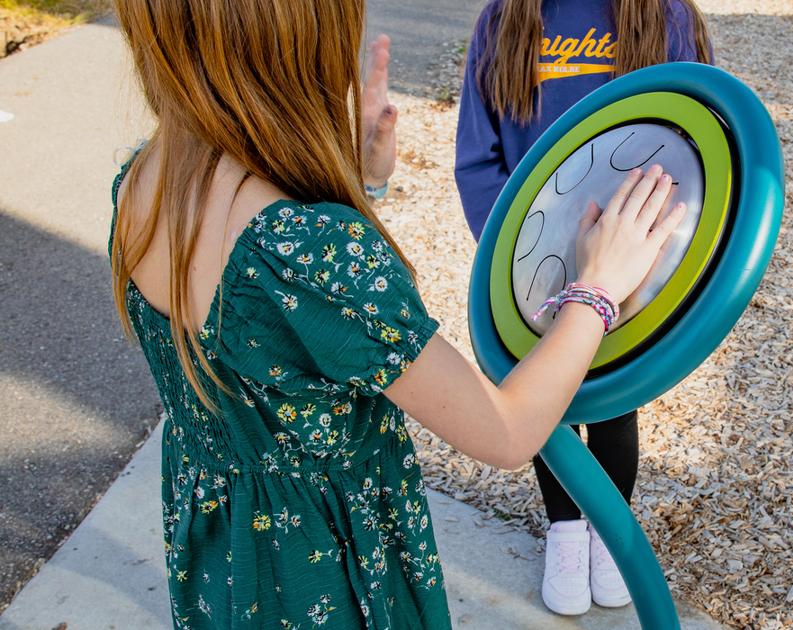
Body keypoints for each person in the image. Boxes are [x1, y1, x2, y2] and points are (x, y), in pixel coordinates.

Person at [108, 1, 686, 628]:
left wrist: (357, 182)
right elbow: (508, 431)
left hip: (224, 556)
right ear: (297, 48)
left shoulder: (143, 178)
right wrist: (597, 286)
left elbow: (285, 319)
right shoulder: (309, 247)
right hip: (325, 572)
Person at [453, 0, 714, 616]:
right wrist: (513, 256)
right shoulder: (507, 18)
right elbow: (476, 157)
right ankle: (565, 533)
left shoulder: (666, 16)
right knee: (551, 398)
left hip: (632, 255)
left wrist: (656, 254)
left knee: (614, 400)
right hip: (536, 260)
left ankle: (607, 533)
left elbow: (698, 136)